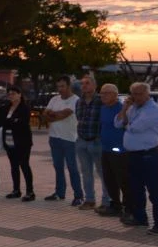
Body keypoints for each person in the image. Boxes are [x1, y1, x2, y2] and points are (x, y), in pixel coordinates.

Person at [115, 82, 158, 234]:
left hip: (148, 155)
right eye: (134, 94)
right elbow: (118, 123)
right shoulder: (132, 108)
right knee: (136, 189)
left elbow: (135, 127)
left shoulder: (153, 109)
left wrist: (126, 121)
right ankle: (140, 217)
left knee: (154, 190)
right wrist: (124, 109)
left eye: (139, 94)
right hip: (133, 155)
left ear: (147, 94)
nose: (136, 97)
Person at [42, 76, 83, 206]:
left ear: (69, 86)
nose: (60, 89)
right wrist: (54, 115)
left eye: (62, 86)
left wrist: (53, 115)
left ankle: (78, 195)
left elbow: (64, 114)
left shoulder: (75, 100)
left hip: (69, 139)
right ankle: (59, 193)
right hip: (54, 138)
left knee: (72, 168)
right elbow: (45, 116)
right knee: (58, 167)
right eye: (58, 86)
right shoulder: (54, 99)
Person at [98, 84, 132, 218]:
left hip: (120, 150)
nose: (102, 96)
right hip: (105, 149)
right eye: (101, 93)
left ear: (114, 94)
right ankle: (115, 204)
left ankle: (128, 206)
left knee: (122, 179)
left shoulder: (122, 109)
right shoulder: (103, 108)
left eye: (106, 93)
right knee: (109, 179)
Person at [74, 75, 106, 211]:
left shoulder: (101, 101)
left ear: (94, 85)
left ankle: (106, 200)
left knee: (102, 172)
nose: (84, 86)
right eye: (82, 84)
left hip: (96, 141)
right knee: (86, 172)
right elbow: (79, 118)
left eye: (87, 83)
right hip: (82, 141)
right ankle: (89, 199)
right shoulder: (79, 101)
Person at [0, 86, 34, 201]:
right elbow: (0, 122)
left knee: (24, 165)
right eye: (9, 94)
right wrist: (12, 121)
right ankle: (16, 190)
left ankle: (30, 191)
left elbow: (22, 123)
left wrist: (10, 122)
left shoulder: (25, 108)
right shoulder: (6, 107)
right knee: (13, 166)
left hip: (22, 141)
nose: (11, 96)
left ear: (19, 94)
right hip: (9, 140)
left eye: (13, 93)